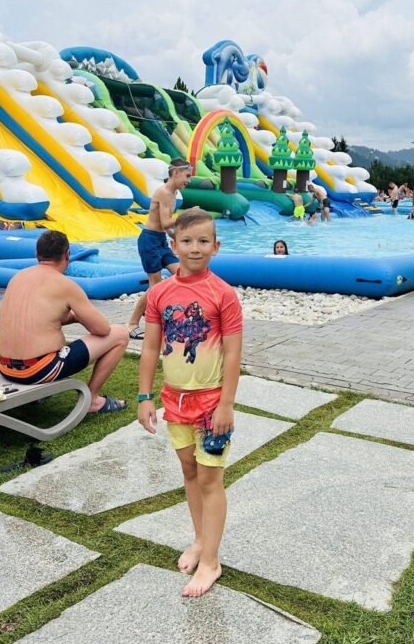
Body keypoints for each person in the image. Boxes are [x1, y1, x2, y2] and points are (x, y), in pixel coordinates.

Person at [137, 208, 243, 598]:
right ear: (173, 245)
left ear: (216, 246)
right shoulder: (159, 293)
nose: (195, 248)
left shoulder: (223, 294)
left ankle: (211, 561)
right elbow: (150, 348)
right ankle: (200, 541)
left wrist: (226, 404)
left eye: (203, 241)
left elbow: (233, 354)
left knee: (210, 480)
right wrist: (145, 396)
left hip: (212, 404)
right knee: (189, 472)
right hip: (175, 402)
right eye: (187, 241)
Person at [0, 230, 129, 414]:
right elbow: (102, 329)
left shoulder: (17, 277)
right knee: (120, 334)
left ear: (37, 255)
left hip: (6, 368)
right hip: (38, 371)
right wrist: (78, 317)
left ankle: (43, 392)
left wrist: (70, 317)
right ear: (67, 255)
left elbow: (35, 319)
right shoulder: (65, 285)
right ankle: (92, 400)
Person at [127, 159, 194, 339]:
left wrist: (175, 237)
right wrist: (188, 214)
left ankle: (160, 311)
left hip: (160, 241)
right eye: (187, 176)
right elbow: (165, 222)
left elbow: (164, 226)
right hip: (149, 241)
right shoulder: (164, 193)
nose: (188, 180)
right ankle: (132, 323)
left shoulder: (173, 194)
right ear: (176, 173)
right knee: (155, 286)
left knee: (182, 274)